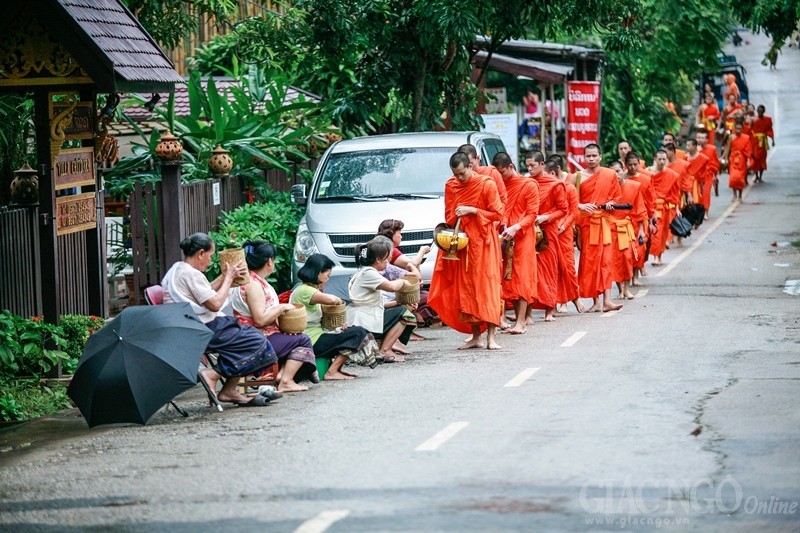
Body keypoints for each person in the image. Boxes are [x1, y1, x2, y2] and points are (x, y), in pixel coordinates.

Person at [162, 232, 277, 407]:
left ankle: (228, 390)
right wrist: (229, 278)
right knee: (255, 340)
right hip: (199, 329)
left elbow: (206, 291)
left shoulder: (178, 269)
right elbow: (214, 304)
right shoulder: (190, 274)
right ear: (201, 253)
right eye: (210, 255)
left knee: (247, 335)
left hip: (191, 324)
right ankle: (213, 375)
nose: (210, 260)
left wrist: (224, 277)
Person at [428, 152, 504, 350]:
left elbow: (498, 214)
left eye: (462, 173)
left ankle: (491, 337)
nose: (459, 178)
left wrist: (473, 210)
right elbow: (448, 215)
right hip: (463, 244)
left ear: (470, 166)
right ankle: (476, 336)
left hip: (484, 243)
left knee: (487, 287)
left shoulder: (486, 184)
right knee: (467, 291)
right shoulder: (451, 185)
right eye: (456, 174)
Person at [230, 241, 316, 393]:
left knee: (296, 338)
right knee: (303, 340)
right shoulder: (253, 284)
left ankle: (283, 377)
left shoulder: (252, 280)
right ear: (269, 260)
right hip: (256, 338)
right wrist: (281, 307)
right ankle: (286, 381)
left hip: (255, 335)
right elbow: (260, 319)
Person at [290, 253, 380, 379]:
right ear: (318, 273)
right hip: (311, 340)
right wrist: (339, 301)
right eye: (327, 275)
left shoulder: (309, 290)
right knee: (357, 333)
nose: (328, 279)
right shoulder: (305, 290)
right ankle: (331, 372)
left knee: (355, 331)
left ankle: (337, 369)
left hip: (317, 335)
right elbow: (332, 300)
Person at [569, 143, 623, 313]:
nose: (591, 159)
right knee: (591, 263)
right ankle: (596, 301)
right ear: (583, 157)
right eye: (588, 156)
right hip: (586, 225)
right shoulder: (577, 177)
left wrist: (610, 204)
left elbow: (617, 198)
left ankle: (607, 300)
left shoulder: (610, 174)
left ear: (600, 156)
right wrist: (581, 205)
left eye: (594, 156)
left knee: (606, 261)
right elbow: (566, 200)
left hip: (604, 224)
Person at [348, 237, 416, 362]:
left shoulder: (365, 272)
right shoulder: (369, 273)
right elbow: (392, 287)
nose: (387, 262)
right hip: (362, 322)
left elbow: (380, 304)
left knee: (401, 308)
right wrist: (403, 281)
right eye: (386, 259)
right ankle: (385, 349)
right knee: (404, 314)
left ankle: (385, 346)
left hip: (366, 317)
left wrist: (398, 302)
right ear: (378, 260)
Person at [493, 152, 538, 334]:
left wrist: (516, 227)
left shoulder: (529, 185)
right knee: (505, 278)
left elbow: (532, 214)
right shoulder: (498, 184)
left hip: (523, 236)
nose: (500, 177)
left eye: (502, 173)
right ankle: (505, 319)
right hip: (504, 236)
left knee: (522, 277)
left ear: (511, 167)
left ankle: (521, 322)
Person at [529, 156, 567, 322]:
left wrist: (545, 218)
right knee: (530, 272)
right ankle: (528, 313)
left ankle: (549, 311)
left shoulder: (554, 184)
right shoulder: (526, 182)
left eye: (532, 165)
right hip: (530, 230)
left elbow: (562, 210)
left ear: (542, 164)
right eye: (527, 165)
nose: (529, 169)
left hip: (548, 231)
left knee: (549, 270)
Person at [548, 154, 583, 314]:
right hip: (550, 231)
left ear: (556, 171)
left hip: (565, 232)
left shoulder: (569, 188)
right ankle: (553, 303)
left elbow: (574, 212)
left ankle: (574, 300)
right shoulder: (547, 187)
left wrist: (563, 226)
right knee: (552, 268)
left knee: (568, 267)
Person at [611, 159, 647, 300]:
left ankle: (626, 289)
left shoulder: (634, 186)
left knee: (627, 258)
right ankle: (620, 290)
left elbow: (640, 209)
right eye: (613, 172)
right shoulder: (608, 189)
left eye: (618, 171)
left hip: (628, 228)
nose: (616, 175)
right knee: (615, 261)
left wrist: (642, 229)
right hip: (612, 229)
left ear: (623, 170)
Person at [623, 152, 655, 286]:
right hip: (625, 218)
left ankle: (635, 276)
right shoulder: (621, 179)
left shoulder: (645, 179)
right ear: (625, 165)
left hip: (641, 218)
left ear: (639, 163)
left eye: (635, 164)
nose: (632, 167)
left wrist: (653, 219)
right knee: (626, 251)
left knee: (639, 249)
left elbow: (650, 200)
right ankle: (627, 277)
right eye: (629, 164)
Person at [648, 150, 681, 266]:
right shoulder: (648, 173)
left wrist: (676, 208)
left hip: (664, 208)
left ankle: (659, 255)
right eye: (659, 159)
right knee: (656, 233)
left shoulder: (671, 175)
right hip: (652, 207)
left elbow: (675, 193)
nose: (662, 162)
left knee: (663, 233)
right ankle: (655, 257)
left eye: (664, 159)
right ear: (655, 159)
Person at [721, 121, 753, 203]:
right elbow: (728, 148)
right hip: (733, 159)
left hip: (742, 160)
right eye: (737, 128)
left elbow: (748, 151)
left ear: (742, 129)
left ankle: (740, 196)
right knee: (733, 178)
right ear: (734, 128)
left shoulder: (746, 138)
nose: (738, 130)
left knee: (740, 179)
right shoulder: (731, 137)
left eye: (740, 129)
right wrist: (724, 158)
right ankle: (734, 194)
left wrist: (749, 160)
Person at [696, 129, 720, 218]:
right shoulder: (694, 149)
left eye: (702, 138)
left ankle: (706, 212)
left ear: (706, 139)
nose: (700, 140)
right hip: (696, 175)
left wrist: (715, 175)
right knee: (697, 193)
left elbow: (715, 163)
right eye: (698, 137)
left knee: (706, 193)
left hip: (707, 174)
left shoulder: (712, 149)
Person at [751, 105, 775, 183]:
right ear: (757, 111)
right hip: (755, 141)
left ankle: (760, 176)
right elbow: (750, 130)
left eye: (761, 111)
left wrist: (772, 139)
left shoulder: (768, 120)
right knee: (755, 158)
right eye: (759, 111)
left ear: (763, 111)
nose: (760, 112)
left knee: (762, 159)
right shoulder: (753, 119)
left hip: (763, 142)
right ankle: (756, 176)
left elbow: (769, 129)